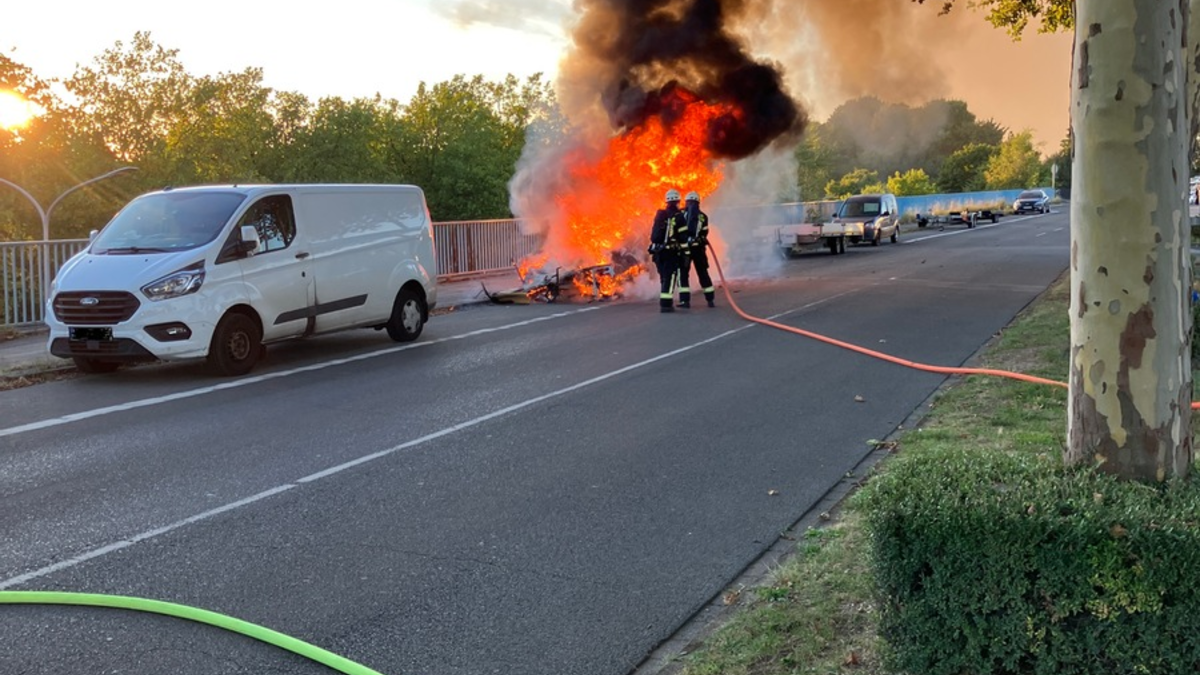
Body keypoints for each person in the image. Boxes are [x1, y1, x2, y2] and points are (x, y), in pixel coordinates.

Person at [649, 189, 687, 313]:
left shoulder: (660, 215)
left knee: (663, 277)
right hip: (670, 253)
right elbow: (683, 237)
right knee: (670, 278)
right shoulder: (679, 216)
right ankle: (666, 304)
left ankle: (665, 300)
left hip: (658, 252)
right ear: (678, 201)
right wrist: (686, 253)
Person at [681, 191, 716, 307]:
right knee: (703, 273)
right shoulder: (703, 216)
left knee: (684, 274)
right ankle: (710, 299)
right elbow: (704, 233)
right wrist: (699, 239)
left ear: (686, 202)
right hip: (699, 250)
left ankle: (685, 301)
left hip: (686, 250)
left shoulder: (681, 214)